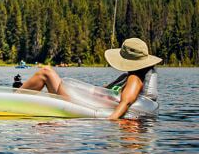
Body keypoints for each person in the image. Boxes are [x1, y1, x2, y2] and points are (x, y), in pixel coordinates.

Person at [18, 37, 161, 120]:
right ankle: (18, 96)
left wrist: (111, 120)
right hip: (83, 101)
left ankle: (14, 97)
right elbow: (107, 91)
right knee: (47, 72)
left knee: (46, 72)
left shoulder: (135, 78)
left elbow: (126, 101)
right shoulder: (132, 76)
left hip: (81, 104)